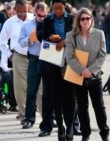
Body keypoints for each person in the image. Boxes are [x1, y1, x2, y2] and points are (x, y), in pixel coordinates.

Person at [65, 7, 109, 141]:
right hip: (78, 76)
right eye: (82, 18)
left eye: (87, 18)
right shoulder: (71, 35)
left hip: (94, 76)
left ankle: (104, 133)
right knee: (82, 107)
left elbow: (102, 55)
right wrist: (82, 70)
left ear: (91, 19)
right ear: (78, 21)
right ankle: (86, 134)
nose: (85, 21)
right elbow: (70, 57)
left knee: (99, 106)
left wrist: (91, 70)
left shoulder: (99, 33)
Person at [37, 0, 76, 139]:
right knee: (56, 96)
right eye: (55, 9)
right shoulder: (47, 20)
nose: (58, 11)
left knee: (70, 96)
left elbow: (77, 37)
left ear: (65, 7)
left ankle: (70, 126)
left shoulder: (72, 19)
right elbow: (43, 40)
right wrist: (50, 38)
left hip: (70, 61)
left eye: (60, 8)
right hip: (53, 61)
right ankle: (60, 127)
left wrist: (65, 41)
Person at [0, 0, 33, 123]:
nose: (22, 14)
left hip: (34, 56)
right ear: (14, 10)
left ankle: (43, 114)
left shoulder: (34, 20)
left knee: (37, 86)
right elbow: (1, 42)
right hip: (18, 56)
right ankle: (23, 115)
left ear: (28, 8)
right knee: (20, 87)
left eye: (25, 11)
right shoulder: (9, 23)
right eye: (19, 12)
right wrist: (9, 55)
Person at [18, 1, 47, 129]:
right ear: (35, 13)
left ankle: (50, 118)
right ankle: (29, 119)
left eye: (44, 16)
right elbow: (20, 42)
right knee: (31, 90)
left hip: (48, 58)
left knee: (49, 90)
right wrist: (30, 39)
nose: (42, 18)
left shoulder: (50, 23)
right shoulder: (27, 25)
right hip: (34, 58)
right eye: (40, 16)